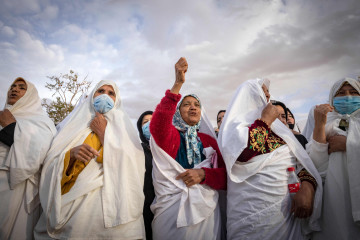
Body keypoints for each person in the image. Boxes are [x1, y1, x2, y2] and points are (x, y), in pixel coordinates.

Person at [34, 80, 146, 239]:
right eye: (101, 91)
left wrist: (103, 134)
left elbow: (133, 167)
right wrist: (70, 155)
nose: (105, 95)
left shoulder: (125, 129)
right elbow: (50, 163)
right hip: (73, 207)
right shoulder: (72, 125)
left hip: (114, 212)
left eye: (111, 93)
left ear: (117, 100)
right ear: (92, 95)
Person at [218, 78, 322, 240]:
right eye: (263, 92)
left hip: (287, 215)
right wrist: (264, 121)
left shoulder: (279, 130)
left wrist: (307, 188)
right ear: (249, 96)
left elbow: (301, 163)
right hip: (250, 215)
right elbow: (243, 154)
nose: (267, 96)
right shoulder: (234, 127)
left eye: (268, 93)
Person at [149, 57, 226, 240]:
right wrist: (177, 84)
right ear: (177, 111)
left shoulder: (208, 140)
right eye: (186, 104)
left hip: (207, 213)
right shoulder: (172, 136)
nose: (193, 108)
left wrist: (204, 175)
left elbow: (225, 177)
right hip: (171, 213)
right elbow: (158, 124)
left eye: (197, 105)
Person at [0, 78, 56, 239]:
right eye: (12, 86)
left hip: (16, 186)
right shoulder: (3, 114)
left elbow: (40, 154)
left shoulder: (41, 121)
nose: (14, 90)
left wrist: (10, 127)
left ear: (30, 95)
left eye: (21, 87)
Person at [307, 77, 360, 239]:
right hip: (334, 194)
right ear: (332, 98)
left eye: (353, 92)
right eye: (341, 93)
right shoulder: (327, 120)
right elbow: (316, 165)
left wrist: (349, 145)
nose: (348, 97)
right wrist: (320, 126)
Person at [137, 110, 155, 240]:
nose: (149, 124)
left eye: (152, 121)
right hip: (145, 206)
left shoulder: (171, 147)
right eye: (145, 122)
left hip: (168, 203)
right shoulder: (137, 149)